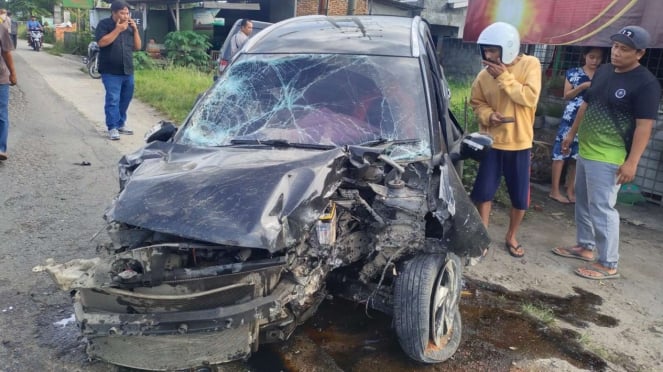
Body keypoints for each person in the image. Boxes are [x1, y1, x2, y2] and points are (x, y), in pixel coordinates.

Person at [552, 26, 661, 280]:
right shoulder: (603, 71)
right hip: (587, 149)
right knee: (582, 200)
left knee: (602, 207)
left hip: (610, 155)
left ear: (640, 53)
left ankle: (609, 262)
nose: (616, 52)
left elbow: (644, 126)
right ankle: (585, 246)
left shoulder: (646, 83)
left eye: (624, 49)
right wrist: (571, 135)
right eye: (614, 46)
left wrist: (632, 162)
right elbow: (585, 105)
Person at [469, 22, 542, 258]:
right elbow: (477, 103)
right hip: (492, 142)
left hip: (520, 143)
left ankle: (511, 236)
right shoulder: (482, 75)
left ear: (508, 48)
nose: (489, 56)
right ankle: (483, 235)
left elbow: (529, 98)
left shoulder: (530, 64)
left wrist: (505, 78)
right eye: (486, 51)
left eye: (493, 50)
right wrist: (489, 115)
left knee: (520, 197)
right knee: (483, 192)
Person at [549, 47, 604, 204]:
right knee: (561, 153)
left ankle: (570, 190)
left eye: (598, 58)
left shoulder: (602, 75)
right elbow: (566, 95)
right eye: (592, 57)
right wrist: (582, 87)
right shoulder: (573, 73)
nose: (595, 61)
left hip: (590, 119)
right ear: (584, 56)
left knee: (577, 157)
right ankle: (554, 190)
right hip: (570, 118)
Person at [95, 0, 142, 140]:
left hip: (127, 69)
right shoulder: (104, 24)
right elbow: (102, 43)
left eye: (127, 13)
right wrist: (118, 29)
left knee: (125, 99)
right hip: (110, 71)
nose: (125, 16)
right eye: (122, 13)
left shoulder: (129, 27)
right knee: (113, 99)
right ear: (114, 13)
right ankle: (112, 127)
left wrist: (135, 30)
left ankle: (121, 123)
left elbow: (138, 47)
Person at [0, 21, 17, 161]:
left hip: (0, 78)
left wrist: (13, 73)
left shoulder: (1, 28)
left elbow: (6, 52)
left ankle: (1, 148)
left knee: (1, 114)